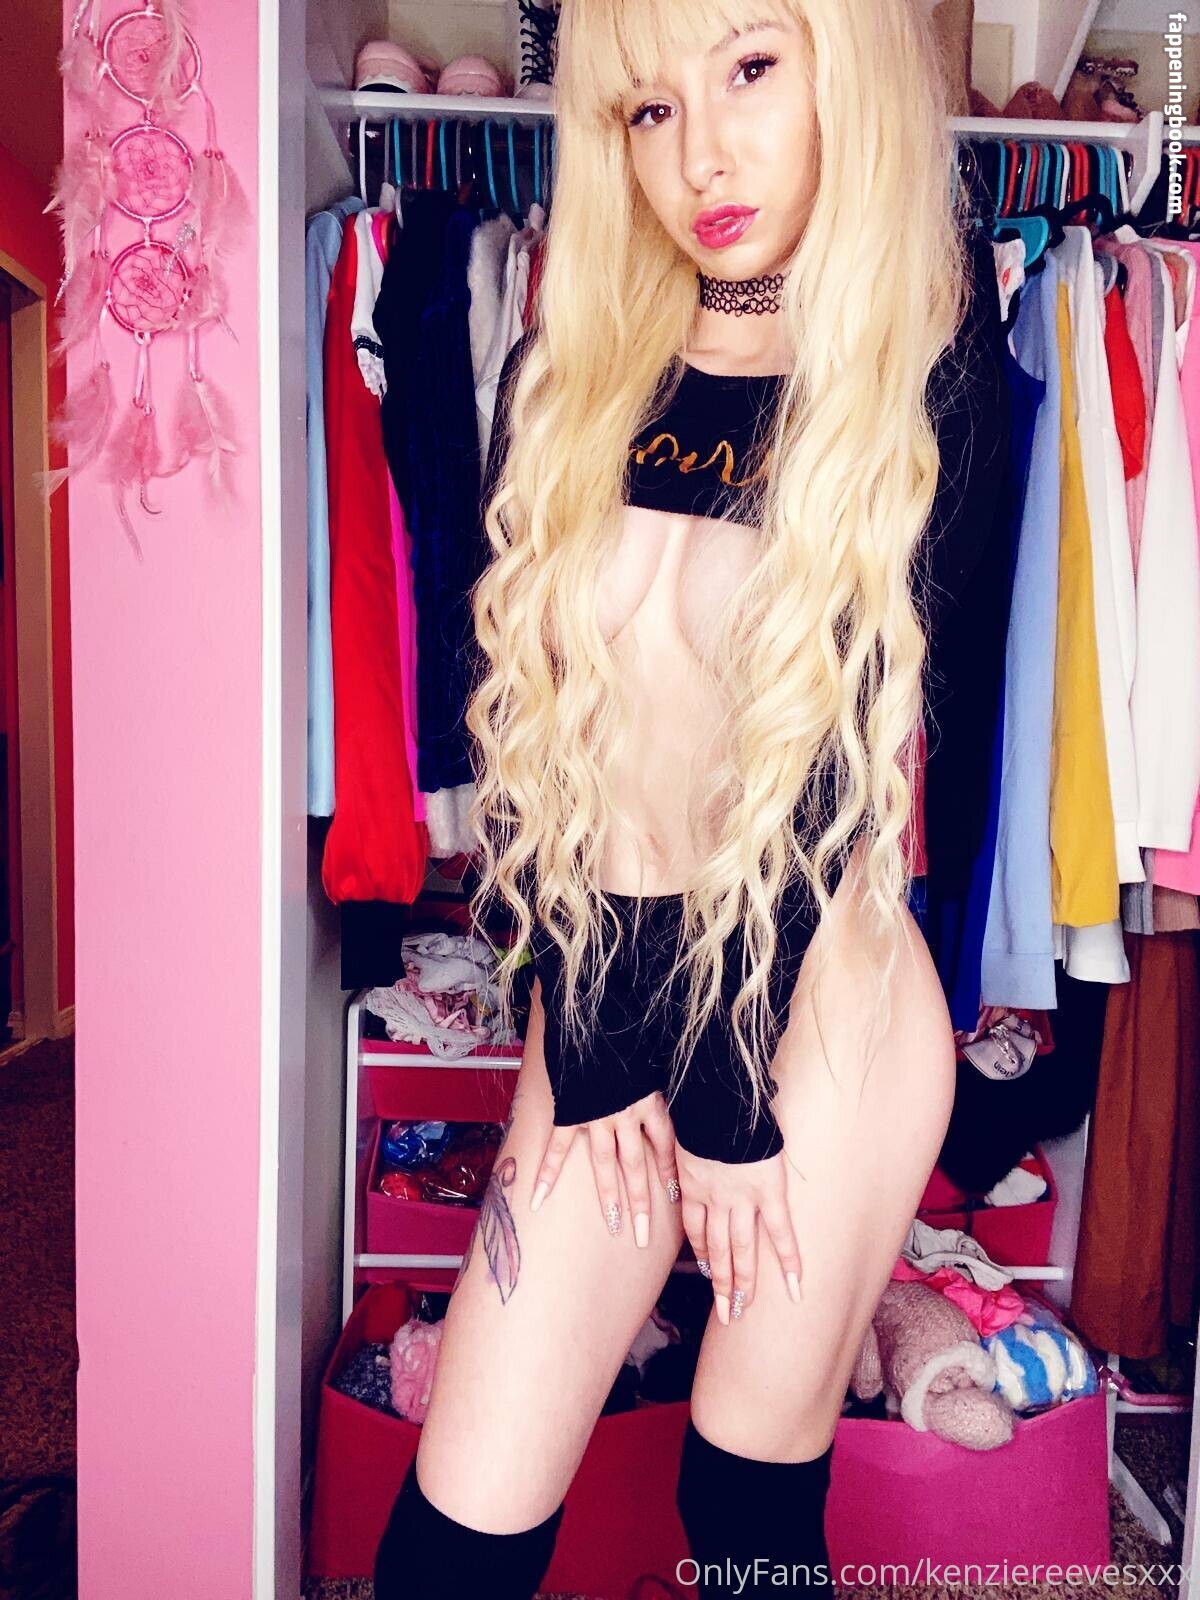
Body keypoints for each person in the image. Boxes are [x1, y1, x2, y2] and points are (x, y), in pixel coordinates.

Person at [373, 0, 1011, 1594]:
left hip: (814, 1019)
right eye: (651, 110)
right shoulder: (569, 366)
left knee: (742, 1506)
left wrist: (729, 1109)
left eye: (750, 68)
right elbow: (532, 734)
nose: (703, 154)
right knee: (450, 1537)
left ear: (842, 70)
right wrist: (596, 1055)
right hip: (607, 994)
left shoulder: (923, 372)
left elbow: (822, 771)